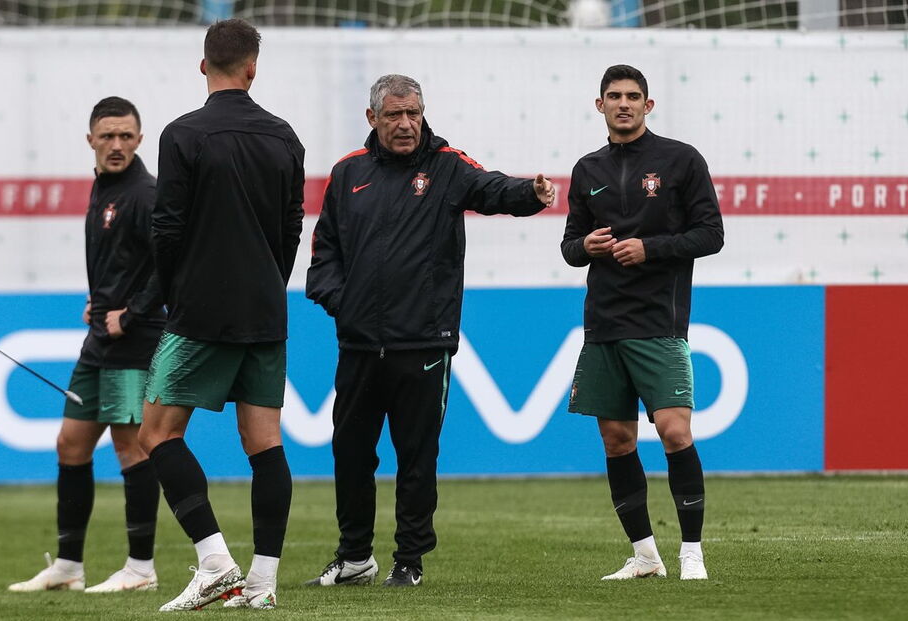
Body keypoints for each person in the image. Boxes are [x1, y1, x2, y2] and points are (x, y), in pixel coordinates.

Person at [305, 74, 555, 588]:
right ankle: (354, 558)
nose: (406, 124)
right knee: (351, 455)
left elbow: (493, 188)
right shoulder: (346, 173)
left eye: (413, 113)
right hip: (358, 345)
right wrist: (342, 304)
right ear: (372, 118)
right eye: (395, 114)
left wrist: (530, 193)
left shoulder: (446, 166)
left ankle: (409, 562)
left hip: (422, 342)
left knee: (416, 459)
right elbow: (324, 253)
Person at [137, 18, 305, 611]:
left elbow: (167, 228)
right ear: (253, 68)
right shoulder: (284, 137)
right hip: (265, 308)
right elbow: (291, 230)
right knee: (264, 443)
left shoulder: (182, 134)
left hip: (201, 312)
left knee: (156, 433)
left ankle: (215, 562)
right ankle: (262, 584)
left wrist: (174, 294)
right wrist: (267, 283)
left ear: (202, 64)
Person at [561, 64, 724, 581]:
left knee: (675, 433)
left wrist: (649, 249)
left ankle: (692, 553)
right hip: (603, 324)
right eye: (614, 96)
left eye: (633, 96)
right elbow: (570, 247)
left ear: (648, 105)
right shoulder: (587, 169)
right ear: (600, 105)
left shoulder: (681, 160)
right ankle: (646, 556)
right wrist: (585, 247)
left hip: (659, 321)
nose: (624, 104)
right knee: (617, 441)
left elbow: (711, 234)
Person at [9, 97, 164, 594]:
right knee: (70, 445)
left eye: (125, 136)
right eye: (107, 136)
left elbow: (169, 267)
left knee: (130, 449)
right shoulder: (105, 188)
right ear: (91, 140)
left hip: (133, 342)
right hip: (99, 341)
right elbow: (124, 262)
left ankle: (141, 568)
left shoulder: (144, 193)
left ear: (139, 139)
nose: (116, 144)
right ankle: (70, 566)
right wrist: (97, 302)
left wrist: (132, 313)